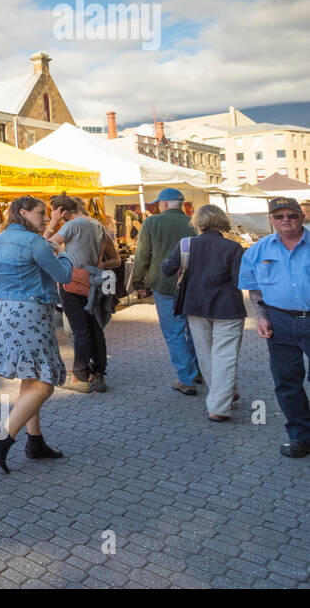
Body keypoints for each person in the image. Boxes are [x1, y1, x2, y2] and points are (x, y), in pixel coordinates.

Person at [0, 196, 73, 473]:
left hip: (6, 314)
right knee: (44, 384)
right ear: (23, 212)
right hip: (32, 313)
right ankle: (3, 435)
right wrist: (61, 251)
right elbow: (64, 276)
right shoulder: (36, 243)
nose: (45, 218)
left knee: (30, 376)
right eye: (41, 213)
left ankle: (35, 441)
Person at [238, 196, 310, 458]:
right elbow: (254, 287)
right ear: (270, 220)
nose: (285, 221)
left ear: (302, 217)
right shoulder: (258, 250)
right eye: (279, 216)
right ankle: (300, 437)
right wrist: (262, 317)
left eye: (291, 215)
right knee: (287, 382)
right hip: (279, 321)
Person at [161, 204, 246, 423]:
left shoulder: (186, 245)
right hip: (228, 307)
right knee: (225, 356)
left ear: (198, 222)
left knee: (206, 355)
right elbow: (240, 280)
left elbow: (167, 269)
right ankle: (219, 404)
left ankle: (221, 399)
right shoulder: (234, 247)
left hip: (196, 306)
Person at [45, 194, 119, 393]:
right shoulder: (97, 225)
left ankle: (80, 376)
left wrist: (52, 224)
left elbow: (45, 246)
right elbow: (115, 259)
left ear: (63, 212)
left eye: (56, 213)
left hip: (72, 283)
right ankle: (99, 373)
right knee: (95, 329)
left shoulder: (72, 225)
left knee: (80, 330)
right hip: (93, 283)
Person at [131, 188, 200, 395]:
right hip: (192, 284)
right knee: (194, 330)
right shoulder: (194, 223)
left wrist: (137, 281)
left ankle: (186, 378)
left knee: (174, 332)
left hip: (163, 283)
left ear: (162, 204)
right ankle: (198, 372)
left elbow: (142, 252)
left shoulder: (152, 222)